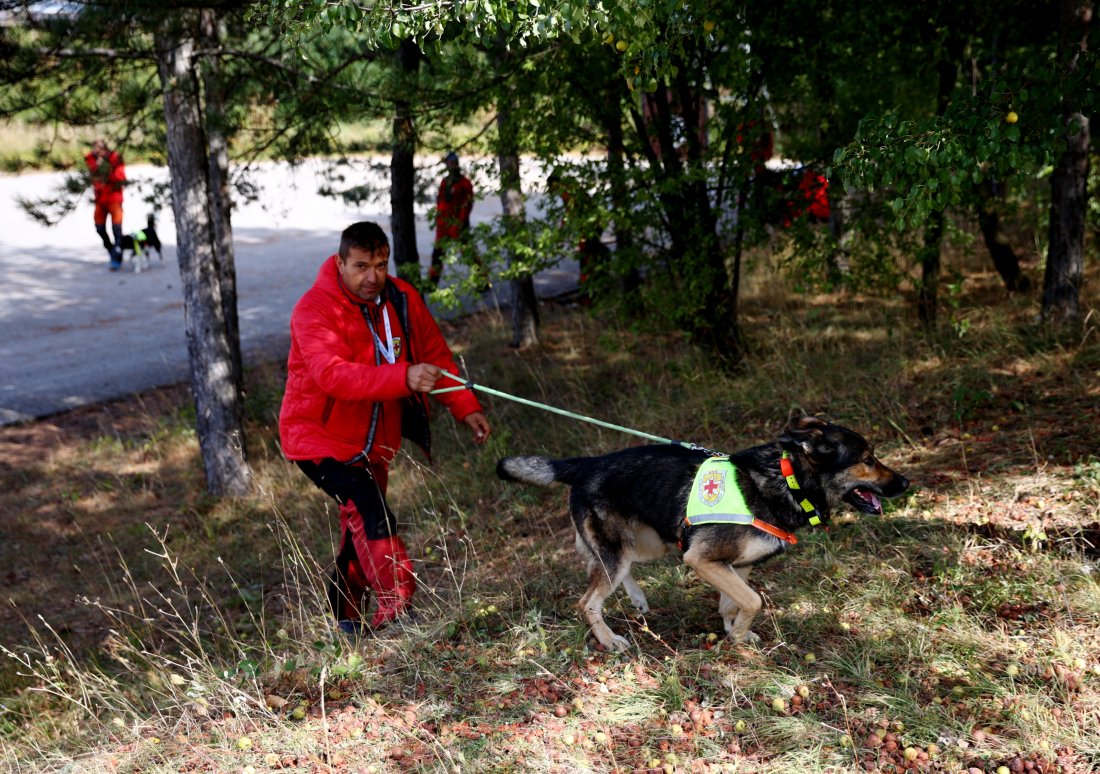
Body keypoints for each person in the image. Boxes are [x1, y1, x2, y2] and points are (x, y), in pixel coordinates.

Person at [279, 221, 491, 635]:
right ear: (339, 262)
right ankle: (398, 613)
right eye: (360, 266)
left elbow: (435, 356)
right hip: (317, 439)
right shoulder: (314, 309)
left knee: (357, 528)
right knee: (369, 508)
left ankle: (346, 621)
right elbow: (334, 377)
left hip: (375, 442)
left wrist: (464, 407)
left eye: (380, 264)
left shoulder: (400, 297)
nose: (372, 277)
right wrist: (403, 377)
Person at [429, 151, 475, 288]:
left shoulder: (465, 184)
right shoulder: (445, 182)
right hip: (443, 226)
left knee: (468, 254)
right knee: (437, 255)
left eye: (452, 163)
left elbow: (467, 206)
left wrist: (460, 223)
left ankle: (482, 282)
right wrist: (438, 220)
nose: (450, 166)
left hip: (458, 226)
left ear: (456, 164)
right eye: (448, 163)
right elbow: (441, 202)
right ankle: (432, 283)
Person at [85, 139, 126, 271]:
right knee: (100, 228)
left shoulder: (115, 159)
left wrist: (106, 168)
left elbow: (120, 178)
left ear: (105, 150)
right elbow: (92, 176)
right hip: (100, 200)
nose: (97, 153)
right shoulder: (91, 159)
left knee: (117, 230)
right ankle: (111, 250)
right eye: (95, 150)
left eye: (100, 150)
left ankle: (117, 256)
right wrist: (97, 167)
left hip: (114, 199)